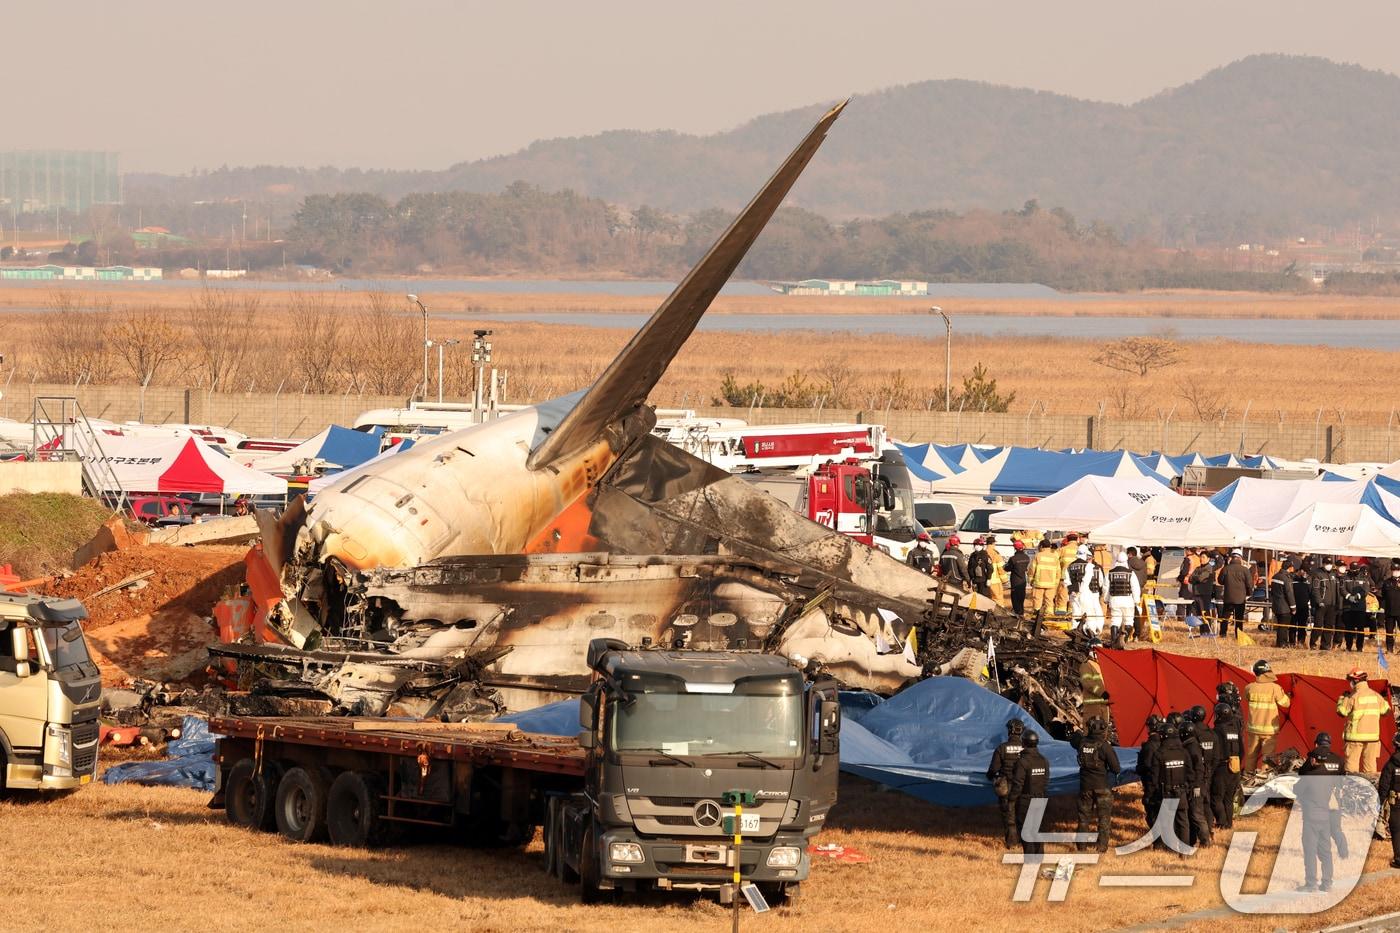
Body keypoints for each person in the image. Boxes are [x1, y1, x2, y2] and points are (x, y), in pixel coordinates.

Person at [1295, 732, 1345, 893]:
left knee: (1310, 850)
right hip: (1327, 814)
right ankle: (1327, 883)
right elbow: (1341, 780)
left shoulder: (1309, 774)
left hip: (1311, 816)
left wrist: (1309, 767)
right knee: (1325, 850)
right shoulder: (1336, 763)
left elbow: (1297, 788)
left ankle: (1311, 884)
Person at [1073, 717, 1120, 852]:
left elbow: (1073, 740)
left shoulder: (1081, 743)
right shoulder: (1105, 746)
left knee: (1083, 818)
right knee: (1104, 819)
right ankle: (1101, 847)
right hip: (1102, 787)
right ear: (1103, 729)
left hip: (1085, 787)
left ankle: (1081, 847)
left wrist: (1077, 731)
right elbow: (1116, 768)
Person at [1335, 669, 1391, 777]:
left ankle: (1352, 790)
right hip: (1372, 739)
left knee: (1351, 769)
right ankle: (1370, 789)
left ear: (1356, 681)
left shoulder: (1352, 697)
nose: (1350, 683)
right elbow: (1386, 711)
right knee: (1370, 769)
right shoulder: (1376, 696)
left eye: (1351, 680)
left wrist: (1343, 698)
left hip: (1354, 738)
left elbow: (1342, 712)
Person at [1243, 659, 1291, 776]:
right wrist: (1287, 695)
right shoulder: (1275, 688)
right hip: (1269, 731)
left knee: (1251, 755)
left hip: (1253, 730)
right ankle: (1264, 777)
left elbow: (1246, 698)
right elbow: (1286, 703)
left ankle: (1248, 776)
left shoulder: (1249, 688)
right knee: (1268, 757)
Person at [1153, 715, 1192, 853]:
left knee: (1168, 822)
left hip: (1167, 792)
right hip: (1181, 791)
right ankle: (1184, 850)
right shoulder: (1184, 752)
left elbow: (1155, 777)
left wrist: (1154, 793)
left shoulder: (1159, 753)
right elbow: (1190, 773)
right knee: (1183, 821)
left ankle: (1171, 849)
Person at [987, 719, 1027, 848]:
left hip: (1007, 786)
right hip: (1024, 786)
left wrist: (990, 777)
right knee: (1022, 814)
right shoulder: (1027, 748)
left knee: (1009, 815)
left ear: (1009, 730)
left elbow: (993, 769)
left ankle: (1012, 843)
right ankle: (1023, 842)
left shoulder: (1002, 748)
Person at [1010, 730, 1050, 858]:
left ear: (1024, 743)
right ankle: (1039, 857)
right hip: (1040, 798)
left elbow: (1018, 783)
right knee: (1037, 829)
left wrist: (1011, 799)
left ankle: (1030, 860)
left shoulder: (1022, 762)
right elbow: (1046, 780)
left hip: (1025, 800)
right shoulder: (1044, 760)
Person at [1177, 713, 1213, 847]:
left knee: (1196, 814)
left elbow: (1198, 769)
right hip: (1196, 785)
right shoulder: (1193, 745)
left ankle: (1205, 841)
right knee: (1194, 814)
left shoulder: (1192, 748)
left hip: (1196, 786)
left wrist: (1196, 786)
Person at [1211, 700, 1244, 829]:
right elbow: (1242, 751)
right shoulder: (1235, 729)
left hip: (1222, 767)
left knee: (1216, 798)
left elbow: (1216, 752)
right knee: (1228, 798)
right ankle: (1229, 824)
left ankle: (1222, 822)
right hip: (1235, 767)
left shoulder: (1218, 730)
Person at [1187, 705, 1219, 831]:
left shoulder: (1193, 734)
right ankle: (1210, 827)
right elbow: (1217, 756)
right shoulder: (1211, 733)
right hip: (1208, 771)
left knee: (1197, 803)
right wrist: (1210, 769)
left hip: (1197, 773)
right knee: (1207, 800)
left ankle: (1201, 830)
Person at [1067, 545, 1107, 634]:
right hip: (1085, 593)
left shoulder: (1070, 566)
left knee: (1076, 614)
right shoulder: (1089, 566)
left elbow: (1067, 581)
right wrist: (1081, 591)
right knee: (1089, 614)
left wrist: (1072, 591)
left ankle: (1075, 632)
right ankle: (1091, 634)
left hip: (1073, 594)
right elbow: (1086, 580)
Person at [1105, 553, 1141, 646]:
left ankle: (1114, 641)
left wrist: (1106, 599)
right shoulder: (1130, 573)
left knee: (1115, 621)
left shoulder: (1110, 572)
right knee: (1129, 621)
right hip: (1128, 600)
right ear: (1126, 561)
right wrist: (1136, 600)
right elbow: (1135, 588)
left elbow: (1106, 588)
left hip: (1114, 600)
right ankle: (1123, 641)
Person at [1137, 714, 1165, 833]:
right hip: (1164, 782)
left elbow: (1147, 766)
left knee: (1152, 811)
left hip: (1151, 782)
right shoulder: (1165, 743)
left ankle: (1158, 838)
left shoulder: (1149, 746)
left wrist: (1139, 768)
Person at [1079, 636, 1112, 731]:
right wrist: (1102, 692)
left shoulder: (1101, 666)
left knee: (1103, 731)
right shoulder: (1086, 665)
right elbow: (1088, 683)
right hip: (1092, 707)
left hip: (1104, 706)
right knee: (1091, 731)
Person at [1219, 550, 1253, 639]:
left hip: (1228, 597)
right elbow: (1249, 584)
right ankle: (1239, 636)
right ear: (1240, 558)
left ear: (1232, 557)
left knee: (1225, 617)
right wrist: (1249, 594)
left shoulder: (1226, 568)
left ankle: (1222, 634)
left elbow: (1220, 581)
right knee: (1239, 619)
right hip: (1240, 599)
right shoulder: (1245, 570)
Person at [1310, 559, 1341, 651]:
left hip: (1332, 605)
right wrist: (1319, 601)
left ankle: (1325, 645)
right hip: (1321, 604)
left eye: (1330, 564)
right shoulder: (1317, 574)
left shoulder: (1334, 574)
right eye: (1327, 563)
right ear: (1323, 564)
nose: (1329, 565)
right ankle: (1313, 643)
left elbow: (1337, 589)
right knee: (1318, 625)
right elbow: (1315, 589)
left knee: (1329, 626)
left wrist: (1337, 602)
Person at [1028, 539, 1061, 626]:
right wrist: (1056, 583)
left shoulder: (1038, 556)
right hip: (1051, 584)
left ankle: (1037, 618)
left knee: (1037, 600)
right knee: (1049, 601)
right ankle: (1049, 619)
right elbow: (1058, 571)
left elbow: (1032, 569)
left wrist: (1031, 580)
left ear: (1041, 546)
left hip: (1039, 583)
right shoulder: (1055, 557)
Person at [1378, 744, 1400, 869]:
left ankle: (1399, 858)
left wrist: (1379, 803)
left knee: (1396, 830)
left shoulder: (1391, 764)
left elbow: (1384, 785)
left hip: (1395, 802)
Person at [1340, 564, 1370, 652]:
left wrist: (1357, 596)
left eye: (1357, 569)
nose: (1355, 571)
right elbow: (1342, 589)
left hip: (1360, 607)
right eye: (1353, 569)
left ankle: (1359, 647)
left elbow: (1366, 590)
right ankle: (1348, 646)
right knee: (1349, 627)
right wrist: (1349, 596)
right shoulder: (1344, 578)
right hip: (1348, 607)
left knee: (1360, 628)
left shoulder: (1363, 578)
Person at [1270, 560, 1298, 648]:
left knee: (1280, 626)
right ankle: (1283, 644)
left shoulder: (1275, 576)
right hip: (1285, 607)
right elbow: (1289, 594)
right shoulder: (1286, 578)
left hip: (1276, 605)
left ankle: (1279, 643)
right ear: (1289, 568)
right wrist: (1293, 608)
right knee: (1284, 627)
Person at [1126, 546, 1150, 639]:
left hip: (1128, 589)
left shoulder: (1128, 562)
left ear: (1130, 554)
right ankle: (1137, 633)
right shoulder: (1143, 563)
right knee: (1136, 611)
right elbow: (1145, 579)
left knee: (1128, 612)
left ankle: (1127, 634)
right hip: (1139, 589)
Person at [1056, 533, 1081, 614]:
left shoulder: (1062, 550)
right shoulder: (1080, 549)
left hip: (1063, 577)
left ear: (1067, 540)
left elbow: (1055, 562)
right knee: (1074, 598)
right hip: (1076, 579)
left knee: (1062, 597)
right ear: (1077, 539)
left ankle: (1061, 614)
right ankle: (1071, 613)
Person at [1190, 557, 1219, 626]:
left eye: (1203, 557)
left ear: (1208, 559)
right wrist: (1195, 578)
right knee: (1199, 613)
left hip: (1205, 594)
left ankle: (1207, 630)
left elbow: (1200, 578)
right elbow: (1190, 579)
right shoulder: (1197, 568)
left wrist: (1195, 577)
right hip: (1196, 593)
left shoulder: (1209, 568)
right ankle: (1202, 631)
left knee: (1205, 612)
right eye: (1201, 557)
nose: (1201, 559)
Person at [1007, 540, 1031, 617]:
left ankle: (1017, 612)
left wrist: (1005, 567)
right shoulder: (1027, 557)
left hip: (1015, 580)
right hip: (1023, 580)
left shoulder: (1013, 558)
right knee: (1022, 596)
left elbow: (1007, 568)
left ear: (1015, 548)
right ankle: (1021, 612)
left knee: (1015, 597)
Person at [1381, 562, 1400, 654]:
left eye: (1397, 570)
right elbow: (1383, 597)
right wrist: (1383, 608)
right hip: (1389, 612)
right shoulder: (1387, 582)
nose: (1395, 572)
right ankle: (1389, 649)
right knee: (1389, 632)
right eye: (1394, 570)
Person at [985, 534, 1008, 607]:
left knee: (986, 599)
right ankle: (1000, 614)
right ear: (993, 543)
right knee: (998, 598)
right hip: (995, 581)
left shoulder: (983, 552)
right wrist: (1005, 580)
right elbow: (1001, 569)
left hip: (984, 581)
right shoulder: (996, 554)